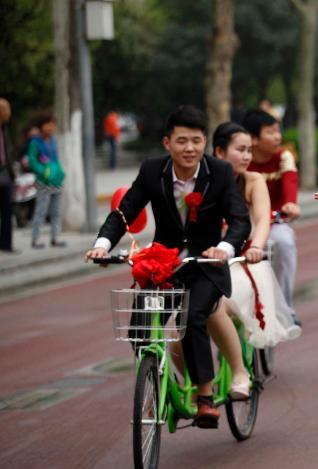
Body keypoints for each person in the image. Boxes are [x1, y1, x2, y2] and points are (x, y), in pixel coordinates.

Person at [85, 105, 251, 427]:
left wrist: (225, 247)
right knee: (139, 328)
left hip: (205, 265)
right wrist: (101, 246)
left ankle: (204, 394)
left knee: (193, 316)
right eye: (181, 141)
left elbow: (239, 219)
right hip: (165, 265)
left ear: (204, 141)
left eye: (196, 141)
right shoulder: (152, 171)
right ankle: (159, 378)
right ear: (166, 143)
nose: (189, 148)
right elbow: (125, 212)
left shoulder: (219, 172)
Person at [207, 122, 300, 395]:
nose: (247, 156)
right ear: (220, 152)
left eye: (249, 150)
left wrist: (256, 248)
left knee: (218, 305)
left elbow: (261, 221)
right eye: (240, 150)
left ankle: (239, 370)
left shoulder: (252, 181)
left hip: (244, 263)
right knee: (183, 320)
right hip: (209, 262)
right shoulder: (204, 180)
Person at [243, 108, 302, 326]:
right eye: (270, 132)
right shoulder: (242, 160)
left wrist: (290, 204)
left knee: (285, 242)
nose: (277, 137)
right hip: (243, 225)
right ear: (254, 139)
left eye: (278, 131)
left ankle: (284, 308)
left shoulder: (283, 157)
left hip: (274, 222)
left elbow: (290, 182)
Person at [27, 111, 65, 249]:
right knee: (41, 211)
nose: (51, 127)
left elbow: (56, 158)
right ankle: (35, 239)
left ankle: (55, 237)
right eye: (48, 124)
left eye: (53, 124)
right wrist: (42, 171)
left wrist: (61, 172)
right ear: (41, 126)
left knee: (56, 212)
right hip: (43, 182)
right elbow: (32, 160)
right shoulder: (35, 142)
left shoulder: (53, 140)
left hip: (56, 181)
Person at [0, 98, 15, 253]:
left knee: (7, 210)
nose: (8, 113)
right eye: (6, 110)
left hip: (5, 173)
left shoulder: (4, 128)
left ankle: (6, 243)